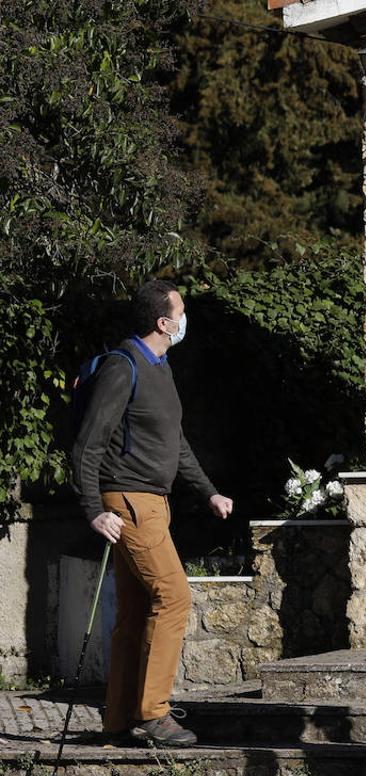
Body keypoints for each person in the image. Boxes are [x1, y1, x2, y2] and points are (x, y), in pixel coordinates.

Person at [72, 279, 234, 748]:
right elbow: (88, 444)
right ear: (164, 322)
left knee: (137, 609)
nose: (185, 319)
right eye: (180, 312)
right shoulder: (125, 367)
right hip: (128, 503)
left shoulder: (160, 367)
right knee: (174, 596)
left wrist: (207, 492)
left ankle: (119, 718)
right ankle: (154, 713)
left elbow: (174, 441)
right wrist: (92, 510)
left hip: (152, 504)